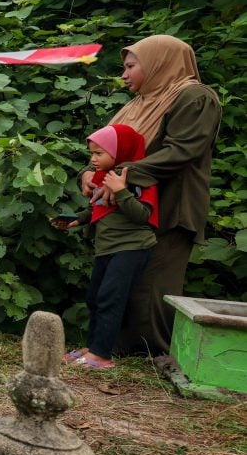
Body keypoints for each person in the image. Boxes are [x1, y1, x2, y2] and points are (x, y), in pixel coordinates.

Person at [79, 35, 222, 356]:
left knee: (152, 290)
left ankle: (152, 358)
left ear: (159, 63)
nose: (124, 74)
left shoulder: (193, 98)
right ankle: (110, 350)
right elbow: (107, 150)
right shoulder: (137, 104)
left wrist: (118, 178)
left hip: (170, 209)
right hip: (128, 212)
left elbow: (181, 152)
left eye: (131, 66)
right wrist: (87, 175)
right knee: (117, 287)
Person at [54, 124, 158, 368]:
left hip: (132, 246)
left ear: (120, 151)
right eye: (92, 153)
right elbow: (98, 207)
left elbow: (143, 215)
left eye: (99, 153)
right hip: (108, 247)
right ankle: (93, 348)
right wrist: (78, 218)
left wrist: (121, 191)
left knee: (110, 298)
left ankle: (102, 355)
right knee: (94, 298)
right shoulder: (105, 178)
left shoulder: (138, 178)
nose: (93, 159)